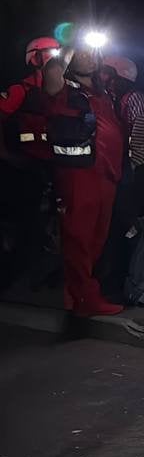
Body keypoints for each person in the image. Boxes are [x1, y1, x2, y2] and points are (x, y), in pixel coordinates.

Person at [43, 46, 126, 317]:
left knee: (96, 239)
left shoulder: (102, 91)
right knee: (78, 238)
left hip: (107, 175)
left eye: (91, 52)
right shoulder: (64, 89)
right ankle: (85, 299)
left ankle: (78, 296)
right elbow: (52, 73)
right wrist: (70, 45)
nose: (88, 56)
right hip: (79, 176)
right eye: (82, 53)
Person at [0, 38, 63, 289]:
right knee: (28, 221)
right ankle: (18, 277)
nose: (55, 57)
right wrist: (5, 153)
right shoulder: (20, 90)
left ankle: (48, 273)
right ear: (35, 58)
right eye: (50, 52)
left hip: (55, 164)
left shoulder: (62, 90)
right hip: (24, 166)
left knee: (55, 221)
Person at [97, 55, 144, 303]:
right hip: (115, 170)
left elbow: (143, 135)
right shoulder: (112, 100)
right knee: (110, 225)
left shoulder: (135, 99)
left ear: (121, 77)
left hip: (130, 171)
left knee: (125, 224)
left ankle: (122, 279)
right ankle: (108, 277)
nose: (105, 79)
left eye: (109, 75)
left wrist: (130, 166)